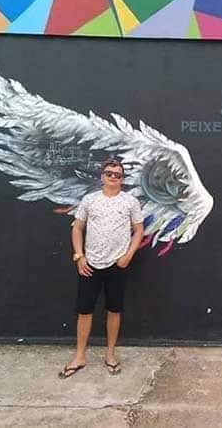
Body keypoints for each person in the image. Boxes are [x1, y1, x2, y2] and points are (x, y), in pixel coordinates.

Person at [59, 158, 144, 378]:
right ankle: (79, 356)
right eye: (109, 173)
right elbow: (77, 228)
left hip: (118, 264)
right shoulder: (90, 200)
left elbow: (139, 230)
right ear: (102, 176)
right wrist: (79, 256)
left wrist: (128, 255)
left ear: (122, 179)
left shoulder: (130, 202)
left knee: (114, 310)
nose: (113, 177)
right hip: (90, 265)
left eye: (118, 175)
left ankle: (110, 354)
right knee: (84, 310)